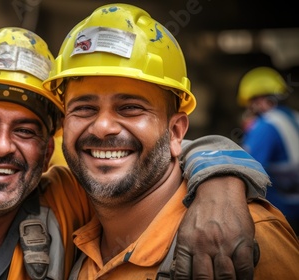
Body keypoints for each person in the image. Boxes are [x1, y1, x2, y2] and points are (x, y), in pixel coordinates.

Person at [0, 27, 270, 280]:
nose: (1, 146)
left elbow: (147, 157)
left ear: (49, 148)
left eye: (26, 130)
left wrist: (218, 179)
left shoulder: (69, 201)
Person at [42, 4, 299, 279]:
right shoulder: (68, 228)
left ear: (176, 132)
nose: (103, 127)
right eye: (84, 108)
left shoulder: (239, 243)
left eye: (130, 107)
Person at [237, 66, 299, 235]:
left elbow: (245, 171)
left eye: (250, 104)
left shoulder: (264, 126)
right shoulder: (294, 117)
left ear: (259, 100)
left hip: (285, 216)